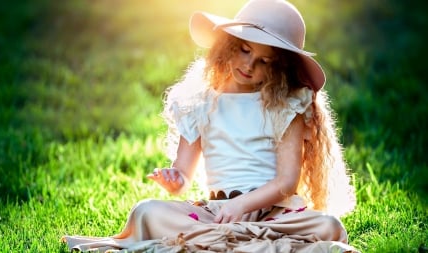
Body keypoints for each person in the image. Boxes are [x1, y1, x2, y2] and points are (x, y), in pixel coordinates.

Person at [62, 0, 358, 252]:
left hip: (274, 215)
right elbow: (183, 174)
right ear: (228, 45)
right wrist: (173, 178)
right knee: (146, 212)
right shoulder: (200, 101)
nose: (250, 65)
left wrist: (243, 206)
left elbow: (286, 183)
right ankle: (239, 242)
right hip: (218, 212)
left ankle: (220, 243)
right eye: (244, 50)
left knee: (327, 225)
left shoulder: (287, 104)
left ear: (281, 67)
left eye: (265, 60)